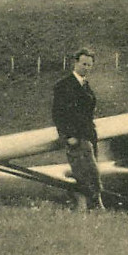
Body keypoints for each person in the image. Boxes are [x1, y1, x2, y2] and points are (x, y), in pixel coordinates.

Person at [52, 47, 104, 210]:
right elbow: (58, 114)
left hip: (88, 135)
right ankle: (93, 207)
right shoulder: (64, 85)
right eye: (84, 64)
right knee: (85, 174)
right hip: (76, 138)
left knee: (92, 173)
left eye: (89, 65)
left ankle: (90, 207)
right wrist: (68, 137)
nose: (86, 68)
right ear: (75, 63)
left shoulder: (85, 85)